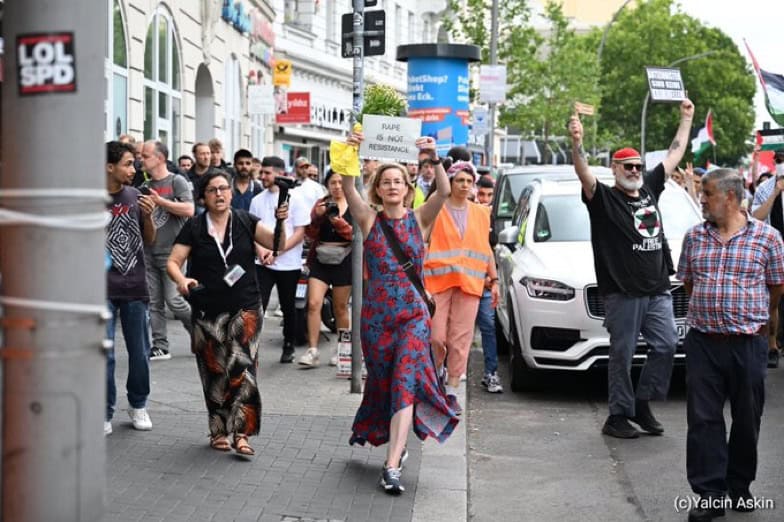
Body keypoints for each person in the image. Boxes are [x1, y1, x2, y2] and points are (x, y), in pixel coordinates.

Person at [340, 132, 459, 495]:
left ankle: (391, 466)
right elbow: (346, 185)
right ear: (377, 189)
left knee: (404, 382)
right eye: (385, 182)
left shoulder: (420, 219)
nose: (392, 186)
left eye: (398, 181)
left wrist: (433, 157)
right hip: (376, 322)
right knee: (386, 384)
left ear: (408, 188)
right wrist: (351, 149)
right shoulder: (368, 219)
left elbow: (442, 192)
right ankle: (396, 443)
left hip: (412, 318)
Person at [568, 98, 694, 439]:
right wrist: (577, 143)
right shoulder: (603, 199)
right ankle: (618, 416)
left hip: (657, 289)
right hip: (622, 293)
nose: (635, 171)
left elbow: (673, 156)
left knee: (667, 344)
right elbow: (582, 171)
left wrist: (686, 120)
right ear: (614, 168)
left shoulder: (649, 189)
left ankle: (642, 401)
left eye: (638, 166)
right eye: (628, 167)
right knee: (621, 356)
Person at [677, 168, 784, 521]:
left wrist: (755, 322)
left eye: (707, 193)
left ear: (730, 197)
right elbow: (689, 284)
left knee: (746, 418)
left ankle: (739, 486)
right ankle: (710, 493)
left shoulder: (768, 239)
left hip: (748, 343)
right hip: (704, 342)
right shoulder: (694, 238)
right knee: (703, 420)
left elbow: (776, 290)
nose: (702, 200)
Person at [166, 171, 288, 457]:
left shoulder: (246, 221)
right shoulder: (195, 227)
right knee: (214, 371)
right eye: (212, 190)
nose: (219, 194)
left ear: (231, 193)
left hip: (245, 307)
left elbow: (277, 244)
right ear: (203, 196)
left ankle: (242, 433)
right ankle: (219, 430)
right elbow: (173, 261)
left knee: (243, 369)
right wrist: (181, 280)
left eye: (224, 188)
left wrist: (281, 219)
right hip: (207, 310)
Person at [425, 161, 499, 413]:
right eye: (460, 180)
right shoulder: (436, 210)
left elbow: (485, 248)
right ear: (451, 182)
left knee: (460, 340)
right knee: (436, 337)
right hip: (438, 282)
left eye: (469, 181)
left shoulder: (480, 212)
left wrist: (495, 279)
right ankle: (436, 379)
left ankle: (451, 390)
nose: (465, 185)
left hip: (469, 284)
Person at [105, 141, 156, 435]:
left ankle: (138, 404)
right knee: (105, 354)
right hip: (100, 289)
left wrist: (148, 216)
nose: (133, 169)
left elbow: (149, 240)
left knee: (140, 352)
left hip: (135, 286)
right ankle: (103, 411)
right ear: (109, 166)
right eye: (127, 164)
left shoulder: (136, 195)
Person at [249, 156, 310, 363]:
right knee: (258, 305)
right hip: (263, 263)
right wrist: (261, 252)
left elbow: (300, 232)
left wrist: (276, 252)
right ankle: (252, 345)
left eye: (267, 172)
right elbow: (253, 230)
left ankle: (289, 345)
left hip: (288, 263)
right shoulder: (257, 200)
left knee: (288, 306)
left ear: (278, 174)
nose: (262, 176)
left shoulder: (295, 199)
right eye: (262, 172)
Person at [141, 140, 195, 361]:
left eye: (145, 156)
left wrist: (160, 201)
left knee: (174, 300)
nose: (140, 159)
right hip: (148, 250)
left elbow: (189, 209)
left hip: (173, 253)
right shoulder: (142, 185)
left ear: (160, 158)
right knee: (154, 302)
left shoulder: (177, 181)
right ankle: (160, 345)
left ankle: (199, 330)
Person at [298, 169, 353, 368]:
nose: (337, 186)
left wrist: (338, 222)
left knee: (340, 308)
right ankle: (312, 350)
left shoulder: (354, 202)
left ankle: (343, 350)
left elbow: (354, 235)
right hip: (320, 259)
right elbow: (310, 233)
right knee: (313, 303)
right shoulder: (320, 203)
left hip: (344, 260)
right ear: (327, 185)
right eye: (333, 183)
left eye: (340, 182)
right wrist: (318, 217)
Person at [749, 149, 784, 368]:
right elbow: (757, 216)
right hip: (772, 250)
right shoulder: (764, 188)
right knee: (773, 301)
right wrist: (775, 193)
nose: (782, 164)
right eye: (779, 161)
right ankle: (772, 345)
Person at [473, 175, 503, 393]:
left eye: (489, 195)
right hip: (467, 281)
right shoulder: (471, 215)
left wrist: (492, 280)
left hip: (484, 283)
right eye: (481, 194)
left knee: (488, 327)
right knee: (457, 332)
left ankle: (491, 372)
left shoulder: (495, 218)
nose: (484, 199)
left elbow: (490, 252)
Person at [186, 142, 218, 214]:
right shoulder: (186, 177)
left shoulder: (217, 175)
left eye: (208, 153)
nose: (206, 157)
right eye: (202, 154)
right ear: (195, 155)